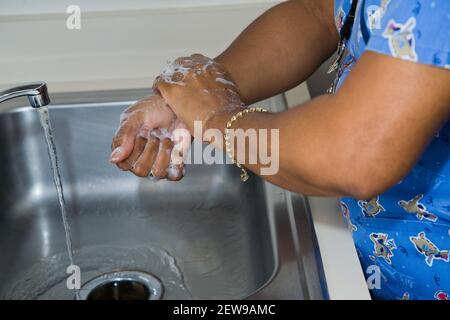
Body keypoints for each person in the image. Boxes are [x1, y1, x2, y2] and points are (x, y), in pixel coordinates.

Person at [109, 0, 450, 300]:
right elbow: (316, 13)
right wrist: (200, 96)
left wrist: (215, 117)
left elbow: (354, 155)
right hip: (374, 267)